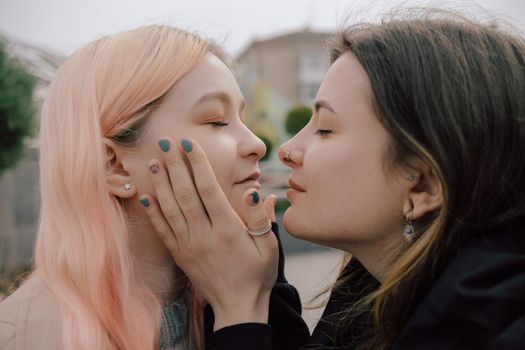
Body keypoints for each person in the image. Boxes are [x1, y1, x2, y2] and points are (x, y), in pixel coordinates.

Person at [141, 9, 525, 350]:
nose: (284, 149)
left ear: (422, 185)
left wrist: (238, 312)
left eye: (325, 129)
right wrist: (260, 293)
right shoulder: (374, 303)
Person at [0, 25, 294, 350]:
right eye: (216, 121)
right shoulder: (22, 338)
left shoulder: (249, 289)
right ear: (114, 164)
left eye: (243, 119)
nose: (256, 144)